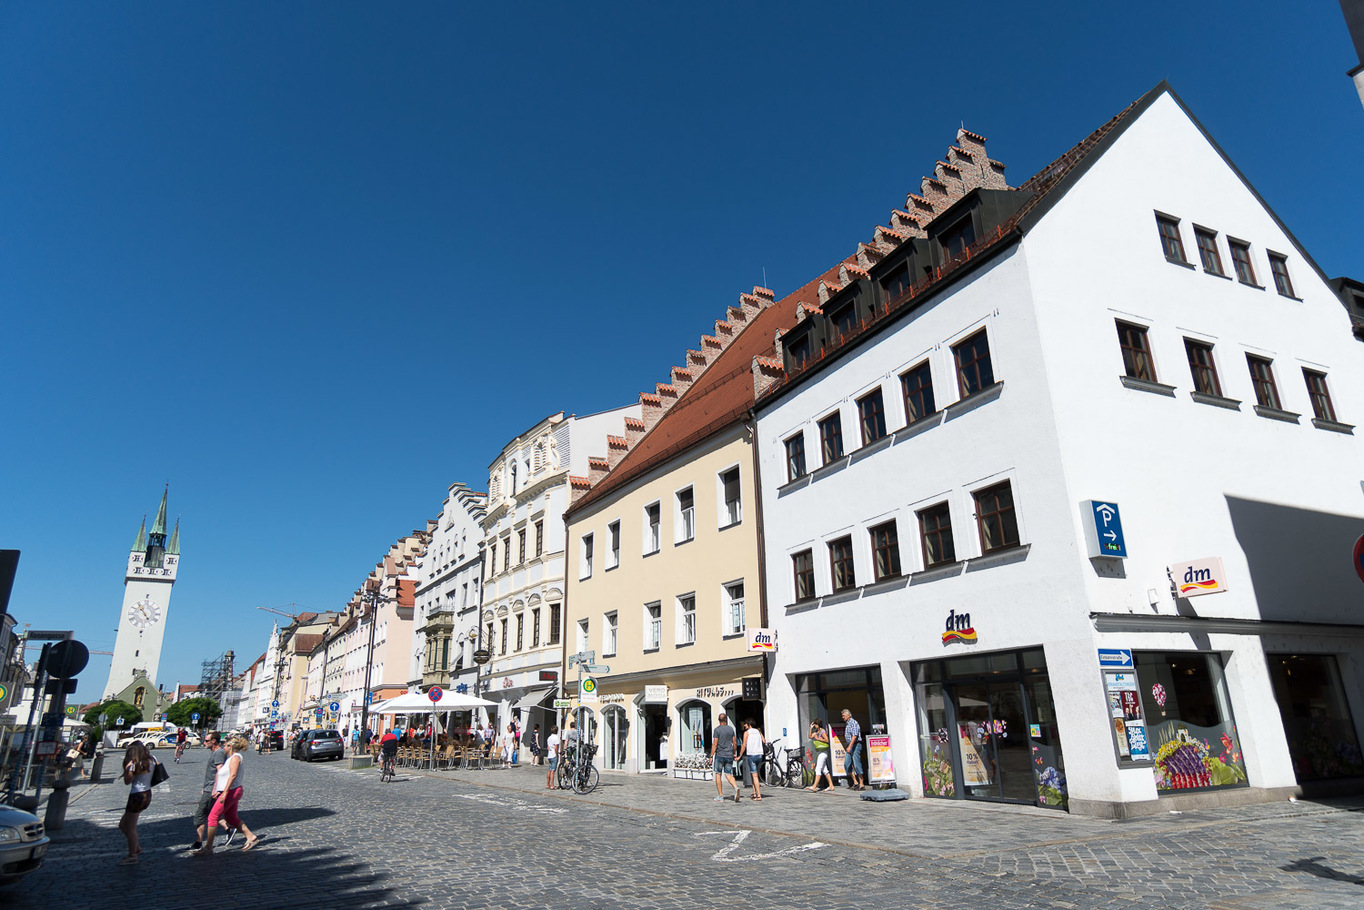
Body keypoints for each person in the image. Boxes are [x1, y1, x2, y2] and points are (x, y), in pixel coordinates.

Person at [194, 735, 260, 855]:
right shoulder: (231, 758)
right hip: (231, 790)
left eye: (225, 745)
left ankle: (208, 847)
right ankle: (251, 837)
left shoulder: (235, 757)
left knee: (213, 817)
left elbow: (233, 776)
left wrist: (224, 792)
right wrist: (218, 789)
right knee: (231, 818)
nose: (223, 747)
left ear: (230, 746)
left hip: (231, 791)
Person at [191, 732, 236, 851]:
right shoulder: (216, 753)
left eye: (206, 741)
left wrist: (215, 788)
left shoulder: (219, 753)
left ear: (213, 741)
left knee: (200, 815)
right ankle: (228, 828)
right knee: (211, 811)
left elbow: (219, 771)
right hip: (209, 787)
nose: (204, 743)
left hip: (212, 789)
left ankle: (198, 841)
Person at [118, 740, 158, 864]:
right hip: (147, 793)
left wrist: (126, 769)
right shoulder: (151, 759)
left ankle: (132, 855)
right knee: (123, 824)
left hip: (137, 795)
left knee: (130, 828)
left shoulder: (134, 764)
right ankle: (137, 848)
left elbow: (127, 781)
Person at [711, 712, 741, 803]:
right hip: (729, 755)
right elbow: (734, 742)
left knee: (718, 774)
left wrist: (711, 755)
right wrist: (734, 753)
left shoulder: (717, 730)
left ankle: (720, 796)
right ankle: (736, 787)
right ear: (726, 720)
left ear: (719, 720)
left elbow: (715, 743)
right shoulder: (731, 729)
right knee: (728, 774)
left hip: (720, 755)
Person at [805, 721, 835, 793]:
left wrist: (818, 739)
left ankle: (814, 786)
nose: (815, 726)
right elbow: (810, 737)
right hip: (819, 752)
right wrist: (811, 729)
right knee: (825, 770)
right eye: (814, 724)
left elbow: (827, 740)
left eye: (815, 724)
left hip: (823, 752)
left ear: (819, 725)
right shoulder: (816, 732)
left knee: (818, 769)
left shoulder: (822, 731)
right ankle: (831, 785)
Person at [741, 719, 767, 801]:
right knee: (753, 774)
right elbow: (764, 741)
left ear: (749, 724)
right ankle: (754, 792)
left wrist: (739, 755)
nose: (744, 726)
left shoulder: (747, 733)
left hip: (751, 754)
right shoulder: (758, 731)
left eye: (745, 724)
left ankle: (759, 795)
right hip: (759, 754)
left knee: (755, 775)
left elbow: (744, 745)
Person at [841, 708, 865, 790]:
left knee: (857, 763)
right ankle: (855, 782)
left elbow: (855, 736)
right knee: (847, 764)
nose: (842, 717)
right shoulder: (848, 724)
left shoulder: (854, 723)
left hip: (855, 744)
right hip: (850, 745)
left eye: (843, 716)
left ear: (848, 715)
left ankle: (861, 784)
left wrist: (850, 746)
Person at [545, 725, 560, 790]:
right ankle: (552, 785)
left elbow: (548, 747)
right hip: (553, 755)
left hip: (549, 755)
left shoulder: (549, 737)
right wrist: (557, 755)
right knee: (553, 771)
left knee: (549, 770)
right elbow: (556, 747)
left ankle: (547, 784)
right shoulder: (556, 738)